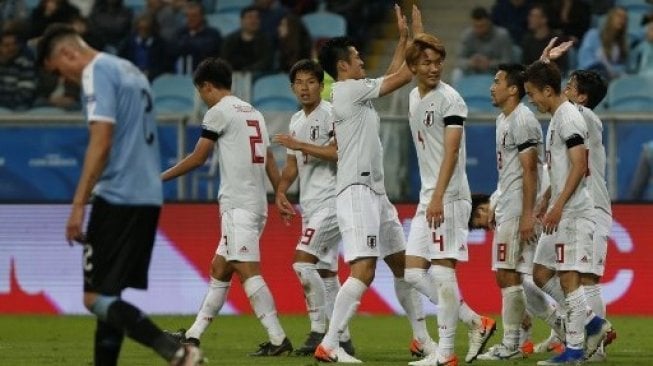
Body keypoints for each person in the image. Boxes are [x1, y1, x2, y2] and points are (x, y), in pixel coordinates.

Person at [37, 23, 202, 365]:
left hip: (117, 194)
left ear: (68, 53)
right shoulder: (129, 69)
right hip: (147, 196)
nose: (63, 80)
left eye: (58, 72)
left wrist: (78, 205)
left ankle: (175, 351)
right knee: (110, 296)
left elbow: (101, 141)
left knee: (93, 298)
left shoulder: (95, 73)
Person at [313, 5, 432, 363]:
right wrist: (420, 42)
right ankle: (331, 343)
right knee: (363, 269)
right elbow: (402, 77)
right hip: (357, 191)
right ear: (342, 68)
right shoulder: (346, 91)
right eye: (356, 57)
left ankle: (422, 340)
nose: (362, 60)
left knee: (402, 265)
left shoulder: (355, 90)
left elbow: (392, 73)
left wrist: (403, 39)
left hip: (376, 193)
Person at [161, 57, 293, 357]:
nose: (201, 97)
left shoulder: (218, 112)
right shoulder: (253, 112)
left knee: (247, 270)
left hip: (238, 205)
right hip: (256, 203)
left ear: (207, 86)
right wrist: (280, 193)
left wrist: (160, 177)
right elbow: (270, 159)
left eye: (200, 91)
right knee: (220, 268)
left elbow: (198, 158)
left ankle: (278, 339)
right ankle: (193, 336)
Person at [403, 31, 497, 366]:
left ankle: (445, 354)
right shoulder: (413, 97)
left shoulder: (452, 99)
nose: (433, 67)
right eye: (426, 61)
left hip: (449, 196)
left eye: (438, 61)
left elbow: (453, 150)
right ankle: (475, 321)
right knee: (412, 271)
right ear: (413, 65)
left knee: (443, 271)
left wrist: (439, 196)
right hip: (428, 195)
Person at [523, 60, 612, 365]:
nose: (531, 100)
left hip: (574, 211)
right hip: (561, 208)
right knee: (541, 273)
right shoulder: (558, 117)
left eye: (533, 93)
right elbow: (560, 168)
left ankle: (576, 350)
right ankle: (592, 324)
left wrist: (557, 205)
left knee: (573, 279)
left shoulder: (572, 118)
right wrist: (547, 198)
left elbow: (579, 165)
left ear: (548, 90)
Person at [272, 58, 355, 357]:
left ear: (321, 86)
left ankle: (319, 328)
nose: (304, 88)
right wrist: (281, 191)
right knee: (326, 272)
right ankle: (342, 338)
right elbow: (292, 165)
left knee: (301, 262)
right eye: (299, 82)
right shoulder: (295, 121)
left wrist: (299, 145)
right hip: (310, 203)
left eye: (310, 82)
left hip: (333, 200)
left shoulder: (332, 115)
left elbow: (338, 153)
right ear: (292, 87)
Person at [475, 63, 544, 360]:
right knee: (512, 275)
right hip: (509, 205)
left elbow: (530, 170)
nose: (492, 86)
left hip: (519, 208)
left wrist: (528, 214)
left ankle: (513, 343)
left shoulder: (523, 120)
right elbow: (511, 172)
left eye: (497, 81)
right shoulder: (504, 119)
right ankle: (520, 338)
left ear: (513, 89)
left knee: (508, 274)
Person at [453, 6, 513, 84]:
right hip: (473, 70)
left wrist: (489, 63)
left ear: (489, 22)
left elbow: (508, 62)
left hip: (494, 71)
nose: (479, 30)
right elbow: (459, 60)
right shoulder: (467, 35)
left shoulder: (502, 35)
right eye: (476, 26)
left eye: (482, 26)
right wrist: (471, 62)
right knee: (457, 73)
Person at [578, 6, 629, 80]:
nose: (622, 20)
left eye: (625, 18)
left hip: (611, 80)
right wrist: (601, 69)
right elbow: (585, 59)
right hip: (589, 77)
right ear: (610, 18)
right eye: (619, 16)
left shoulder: (621, 44)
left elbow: (621, 67)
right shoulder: (593, 35)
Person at [221, 5, 272, 73]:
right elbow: (224, 60)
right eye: (250, 17)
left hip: (257, 75)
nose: (253, 21)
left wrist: (248, 70)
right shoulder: (230, 40)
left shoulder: (266, 39)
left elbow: (266, 61)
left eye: (257, 18)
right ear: (241, 20)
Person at [0, 29, 36, 110]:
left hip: (16, 108)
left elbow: (25, 94)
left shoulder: (25, 64)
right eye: (7, 45)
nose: (11, 48)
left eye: (14, 44)